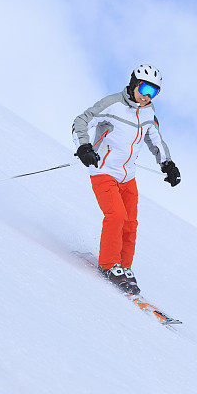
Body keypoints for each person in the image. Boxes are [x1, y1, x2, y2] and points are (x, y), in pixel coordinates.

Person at [72, 65, 181, 295]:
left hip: (128, 176)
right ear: (134, 84)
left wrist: (167, 164)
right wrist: (84, 147)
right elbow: (82, 121)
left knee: (130, 223)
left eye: (154, 92)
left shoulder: (149, 113)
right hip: (103, 171)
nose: (146, 96)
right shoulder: (112, 104)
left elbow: (155, 141)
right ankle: (109, 264)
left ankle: (123, 267)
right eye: (144, 88)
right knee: (116, 215)